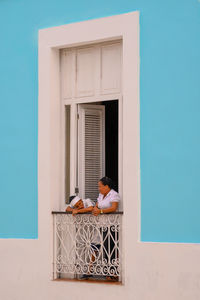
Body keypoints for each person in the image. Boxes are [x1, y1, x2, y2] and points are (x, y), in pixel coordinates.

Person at [92, 177, 120, 281]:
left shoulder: (113, 194)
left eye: (100, 186)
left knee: (111, 248)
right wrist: (95, 209)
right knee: (104, 248)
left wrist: (101, 212)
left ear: (106, 186)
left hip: (111, 225)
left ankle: (113, 272)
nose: (99, 188)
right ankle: (107, 271)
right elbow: (97, 206)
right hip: (101, 225)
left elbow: (114, 208)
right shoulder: (100, 195)